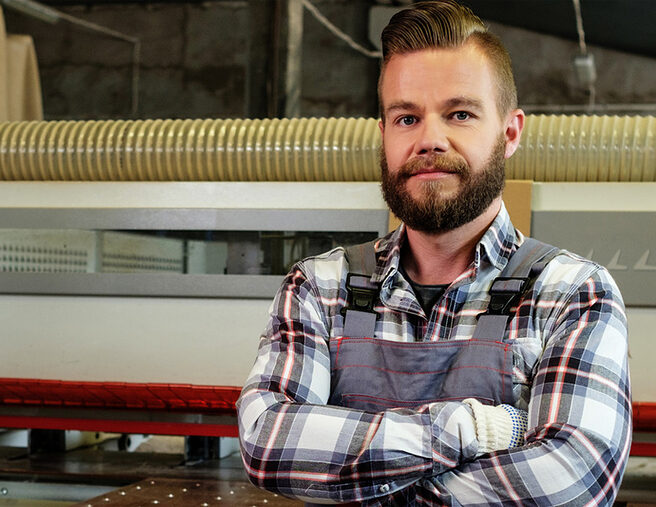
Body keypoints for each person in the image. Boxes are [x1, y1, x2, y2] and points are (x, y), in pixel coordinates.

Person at [235, 1, 631, 505]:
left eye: (460, 114)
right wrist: (471, 428)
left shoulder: (573, 294)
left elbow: (575, 478)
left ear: (509, 133)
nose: (429, 139)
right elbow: (269, 442)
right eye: (406, 118)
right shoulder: (318, 287)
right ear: (383, 134)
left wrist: (367, 482)